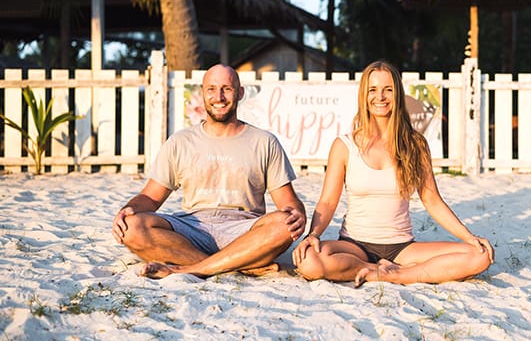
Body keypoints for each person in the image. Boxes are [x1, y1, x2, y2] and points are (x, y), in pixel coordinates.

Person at [292, 60, 493, 286]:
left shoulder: (415, 144)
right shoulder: (344, 146)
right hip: (354, 245)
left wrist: (468, 237)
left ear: (397, 93)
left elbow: (432, 200)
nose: (380, 97)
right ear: (364, 96)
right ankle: (371, 269)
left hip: (402, 249)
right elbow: (328, 202)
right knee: (308, 261)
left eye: (388, 89)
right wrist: (313, 235)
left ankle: (396, 274)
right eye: (373, 90)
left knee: (480, 255)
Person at [112, 64, 306, 279]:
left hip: (244, 230)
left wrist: (296, 213)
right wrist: (127, 209)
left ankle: (193, 268)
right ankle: (237, 264)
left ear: (240, 93)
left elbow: (288, 201)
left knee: (284, 225)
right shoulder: (181, 141)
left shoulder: (264, 141)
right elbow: (150, 197)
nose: (219, 97)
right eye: (211, 89)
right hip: (192, 227)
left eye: (227, 89)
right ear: (202, 93)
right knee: (131, 227)